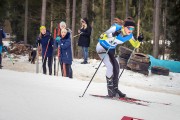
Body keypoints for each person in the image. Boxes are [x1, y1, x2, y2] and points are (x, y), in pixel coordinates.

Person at [96, 17, 144, 98]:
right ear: (124, 27)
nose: (130, 30)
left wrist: (139, 40)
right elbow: (102, 36)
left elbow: (135, 45)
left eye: (132, 29)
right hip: (102, 48)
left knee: (117, 67)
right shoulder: (115, 28)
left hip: (111, 49)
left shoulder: (130, 36)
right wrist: (112, 34)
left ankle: (115, 89)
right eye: (129, 28)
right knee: (110, 66)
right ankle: (110, 90)